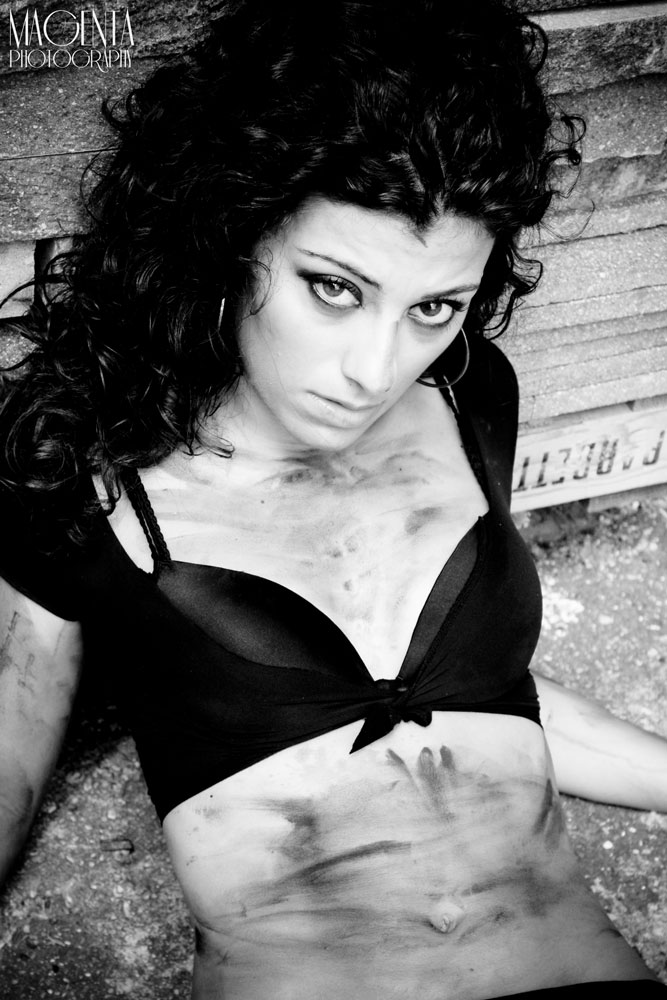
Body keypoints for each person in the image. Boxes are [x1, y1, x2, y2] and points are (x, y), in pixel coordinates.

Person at [0, 1, 666, 996]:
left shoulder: (468, 394)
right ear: (232, 230)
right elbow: (9, 753)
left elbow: (496, 698)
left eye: (433, 306)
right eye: (334, 288)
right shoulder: (87, 478)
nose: (374, 368)